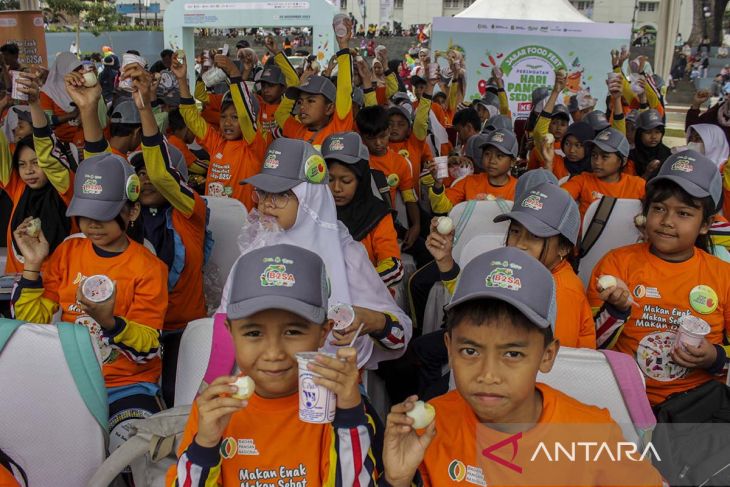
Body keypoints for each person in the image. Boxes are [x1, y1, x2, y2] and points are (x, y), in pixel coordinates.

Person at [382, 247, 664, 487]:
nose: (488, 374)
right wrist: (397, 481)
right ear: (449, 347)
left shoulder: (592, 432)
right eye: (470, 350)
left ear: (547, 355)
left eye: (513, 354)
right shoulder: (432, 427)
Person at [203, 138, 412, 387]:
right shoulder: (256, 249)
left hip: (327, 389)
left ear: (309, 198)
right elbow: (226, 323)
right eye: (263, 193)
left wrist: (373, 320)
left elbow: (401, 335)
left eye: (281, 195)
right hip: (260, 389)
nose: (267, 203)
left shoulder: (346, 256)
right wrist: (212, 387)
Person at [168, 244, 380, 485]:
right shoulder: (214, 410)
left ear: (323, 333)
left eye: (292, 331)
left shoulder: (337, 408)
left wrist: (349, 417)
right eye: (253, 333)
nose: (273, 353)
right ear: (230, 333)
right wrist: (205, 446)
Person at [11, 152, 168, 454]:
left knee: (137, 453)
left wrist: (111, 323)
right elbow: (31, 324)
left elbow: (149, 346)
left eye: (105, 213)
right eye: (85, 214)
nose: (93, 224)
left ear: (132, 211)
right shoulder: (68, 251)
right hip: (67, 380)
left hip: (126, 387)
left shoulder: (149, 268)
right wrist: (33, 264)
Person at [589, 150, 730, 407]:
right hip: (620, 400)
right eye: (659, 208)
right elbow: (589, 344)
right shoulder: (617, 264)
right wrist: (617, 310)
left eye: (683, 213)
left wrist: (714, 357)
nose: (667, 221)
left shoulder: (723, 276)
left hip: (696, 408)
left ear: (705, 224)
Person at [124, 65, 209, 406]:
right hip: (135, 326)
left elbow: (161, 175)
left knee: (177, 400)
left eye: (150, 173)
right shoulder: (127, 215)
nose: (145, 179)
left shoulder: (192, 212)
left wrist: (145, 109)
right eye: (138, 173)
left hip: (183, 331)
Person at [1, 72, 76, 274]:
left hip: (59, 287)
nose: (29, 171)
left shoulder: (66, 189)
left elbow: (48, 156)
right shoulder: (18, 188)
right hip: (20, 286)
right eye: (23, 164)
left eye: (36, 163)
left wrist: (34, 103)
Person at [172, 50, 265, 209]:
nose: (227, 123)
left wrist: (235, 74)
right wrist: (181, 80)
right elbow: (191, 117)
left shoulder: (254, 146)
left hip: (244, 228)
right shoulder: (217, 142)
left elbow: (245, 116)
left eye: (234, 117)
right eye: (223, 116)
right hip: (214, 224)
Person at [322, 132, 403, 289]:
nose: (336, 188)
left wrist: (355, 283)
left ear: (361, 181)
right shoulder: (316, 212)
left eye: (346, 181)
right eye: (329, 180)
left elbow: (394, 266)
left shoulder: (377, 215)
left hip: (367, 299)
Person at [274, 18, 354, 149]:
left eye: (310, 101)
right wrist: (299, 83)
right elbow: (280, 114)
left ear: (329, 108)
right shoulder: (297, 130)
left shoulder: (338, 128)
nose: (303, 107)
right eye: (300, 102)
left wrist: (344, 47)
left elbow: (344, 90)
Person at [355, 105, 421, 250]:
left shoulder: (400, 163)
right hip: (358, 225)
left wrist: (415, 225)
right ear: (360, 137)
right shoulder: (355, 161)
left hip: (387, 224)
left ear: (389, 131)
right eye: (371, 138)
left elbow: (409, 197)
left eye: (383, 136)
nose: (378, 143)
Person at [427, 128, 518, 215]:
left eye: (499, 156)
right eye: (487, 154)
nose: (492, 161)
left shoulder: (519, 189)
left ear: (512, 162)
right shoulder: (469, 182)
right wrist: (438, 184)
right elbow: (440, 208)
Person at [561, 128, 646, 218]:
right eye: (594, 155)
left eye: (604, 157)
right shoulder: (583, 180)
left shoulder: (638, 185)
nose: (597, 162)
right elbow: (558, 197)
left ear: (623, 161)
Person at [40, 52, 85, 148]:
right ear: (62, 70)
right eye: (73, 70)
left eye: (79, 68)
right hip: (60, 144)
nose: (78, 73)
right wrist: (72, 115)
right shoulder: (48, 92)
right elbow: (47, 121)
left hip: (83, 140)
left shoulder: (82, 87)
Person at [629, 109, 672, 179]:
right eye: (648, 132)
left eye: (657, 132)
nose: (654, 137)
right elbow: (630, 186)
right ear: (639, 134)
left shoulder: (668, 154)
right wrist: (648, 173)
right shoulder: (631, 157)